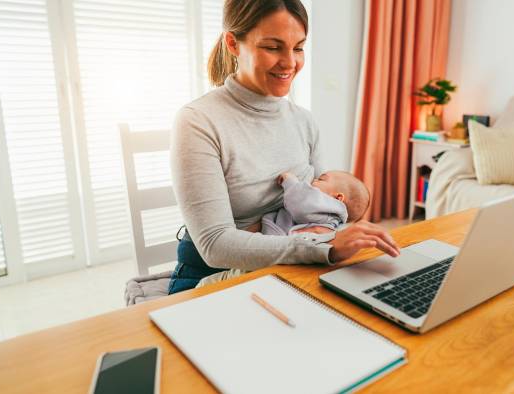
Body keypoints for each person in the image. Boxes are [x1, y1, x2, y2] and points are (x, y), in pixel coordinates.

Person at [168, 0, 399, 294]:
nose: (290, 62)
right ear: (233, 43)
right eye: (273, 47)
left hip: (285, 266)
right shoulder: (198, 121)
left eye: (299, 47)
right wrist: (319, 246)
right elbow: (216, 244)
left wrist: (337, 238)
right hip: (213, 274)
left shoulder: (303, 121)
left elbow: (322, 206)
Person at [261, 170, 370, 235]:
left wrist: (290, 182)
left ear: (338, 198)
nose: (314, 180)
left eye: (321, 179)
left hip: (279, 236)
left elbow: (300, 203)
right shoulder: (331, 217)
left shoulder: (325, 208)